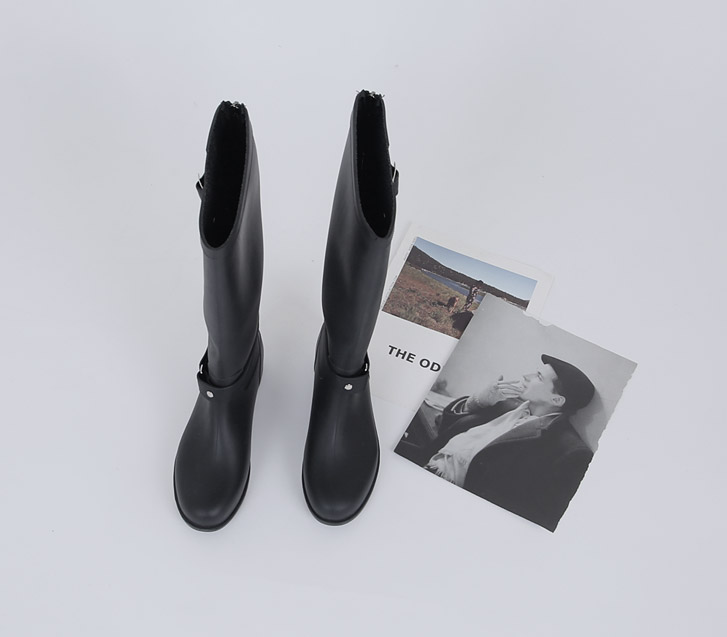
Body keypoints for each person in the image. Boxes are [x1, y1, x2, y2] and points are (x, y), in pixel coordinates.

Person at [396, 355, 596, 531]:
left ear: (557, 400)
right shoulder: (507, 404)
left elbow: (530, 517)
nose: (526, 376)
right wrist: (478, 401)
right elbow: (445, 428)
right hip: (425, 468)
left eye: (538, 377)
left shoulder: (569, 451)